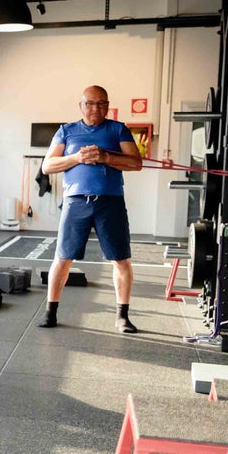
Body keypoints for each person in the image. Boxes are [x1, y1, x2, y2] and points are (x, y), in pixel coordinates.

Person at [39, 85, 143, 331]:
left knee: (121, 260)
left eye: (102, 103)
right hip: (76, 202)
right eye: (91, 103)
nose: (96, 108)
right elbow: (47, 166)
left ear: (108, 105)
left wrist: (106, 158)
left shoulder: (118, 129)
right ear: (81, 106)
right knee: (62, 259)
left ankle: (122, 317)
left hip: (111, 202)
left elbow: (136, 163)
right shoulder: (66, 131)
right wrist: (77, 158)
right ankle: (50, 313)